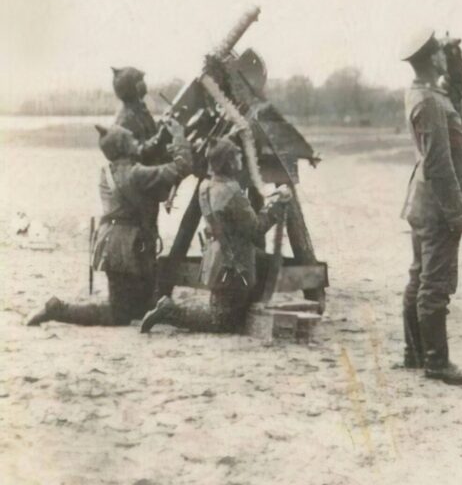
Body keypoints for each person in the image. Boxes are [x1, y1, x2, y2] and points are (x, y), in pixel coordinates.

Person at [25, 120, 192, 327]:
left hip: (115, 245)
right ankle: (57, 309)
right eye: (132, 140)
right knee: (118, 314)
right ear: (124, 147)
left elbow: (145, 160)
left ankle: (58, 310)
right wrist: (179, 136)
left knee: (140, 307)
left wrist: (160, 139)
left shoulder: (109, 171)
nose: (137, 142)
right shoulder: (136, 174)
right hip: (127, 249)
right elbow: (183, 166)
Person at [399, 31, 462, 385]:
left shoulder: (423, 93)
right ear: (432, 59)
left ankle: (415, 355)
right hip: (437, 208)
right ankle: (436, 363)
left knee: (419, 277)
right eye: (440, 55)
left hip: (422, 202)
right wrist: (456, 213)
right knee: (435, 284)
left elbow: (457, 94)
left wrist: (455, 65)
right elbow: (438, 162)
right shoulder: (431, 102)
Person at [139, 137, 292, 334]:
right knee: (220, 322)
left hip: (217, 257)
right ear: (228, 162)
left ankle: (238, 311)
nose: (240, 159)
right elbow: (255, 229)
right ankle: (170, 311)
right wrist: (278, 205)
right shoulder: (232, 192)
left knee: (226, 305)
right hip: (234, 263)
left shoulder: (206, 186)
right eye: (236, 156)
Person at [110, 66, 163, 163]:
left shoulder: (139, 109)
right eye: (140, 81)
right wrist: (160, 137)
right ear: (133, 88)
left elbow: (151, 132)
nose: (143, 85)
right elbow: (139, 152)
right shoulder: (125, 119)